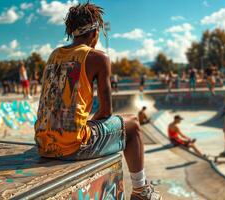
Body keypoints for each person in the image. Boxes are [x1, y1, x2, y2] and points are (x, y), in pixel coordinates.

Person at [34, 3, 162, 200]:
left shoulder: (54, 55)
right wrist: (90, 125)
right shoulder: (98, 58)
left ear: (73, 32)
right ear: (95, 32)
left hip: (43, 144)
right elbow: (106, 111)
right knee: (133, 124)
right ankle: (141, 191)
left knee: (111, 124)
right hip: (72, 146)